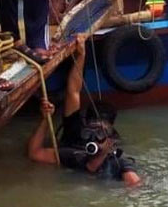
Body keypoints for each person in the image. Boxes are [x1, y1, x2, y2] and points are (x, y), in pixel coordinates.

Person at [27, 35, 141, 185]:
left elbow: (136, 186)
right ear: (85, 124)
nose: (93, 136)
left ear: (111, 139)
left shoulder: (117, 162)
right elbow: (35, 153)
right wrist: (45, 119)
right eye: (91, 130)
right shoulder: (76, 154)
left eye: (100, 133)